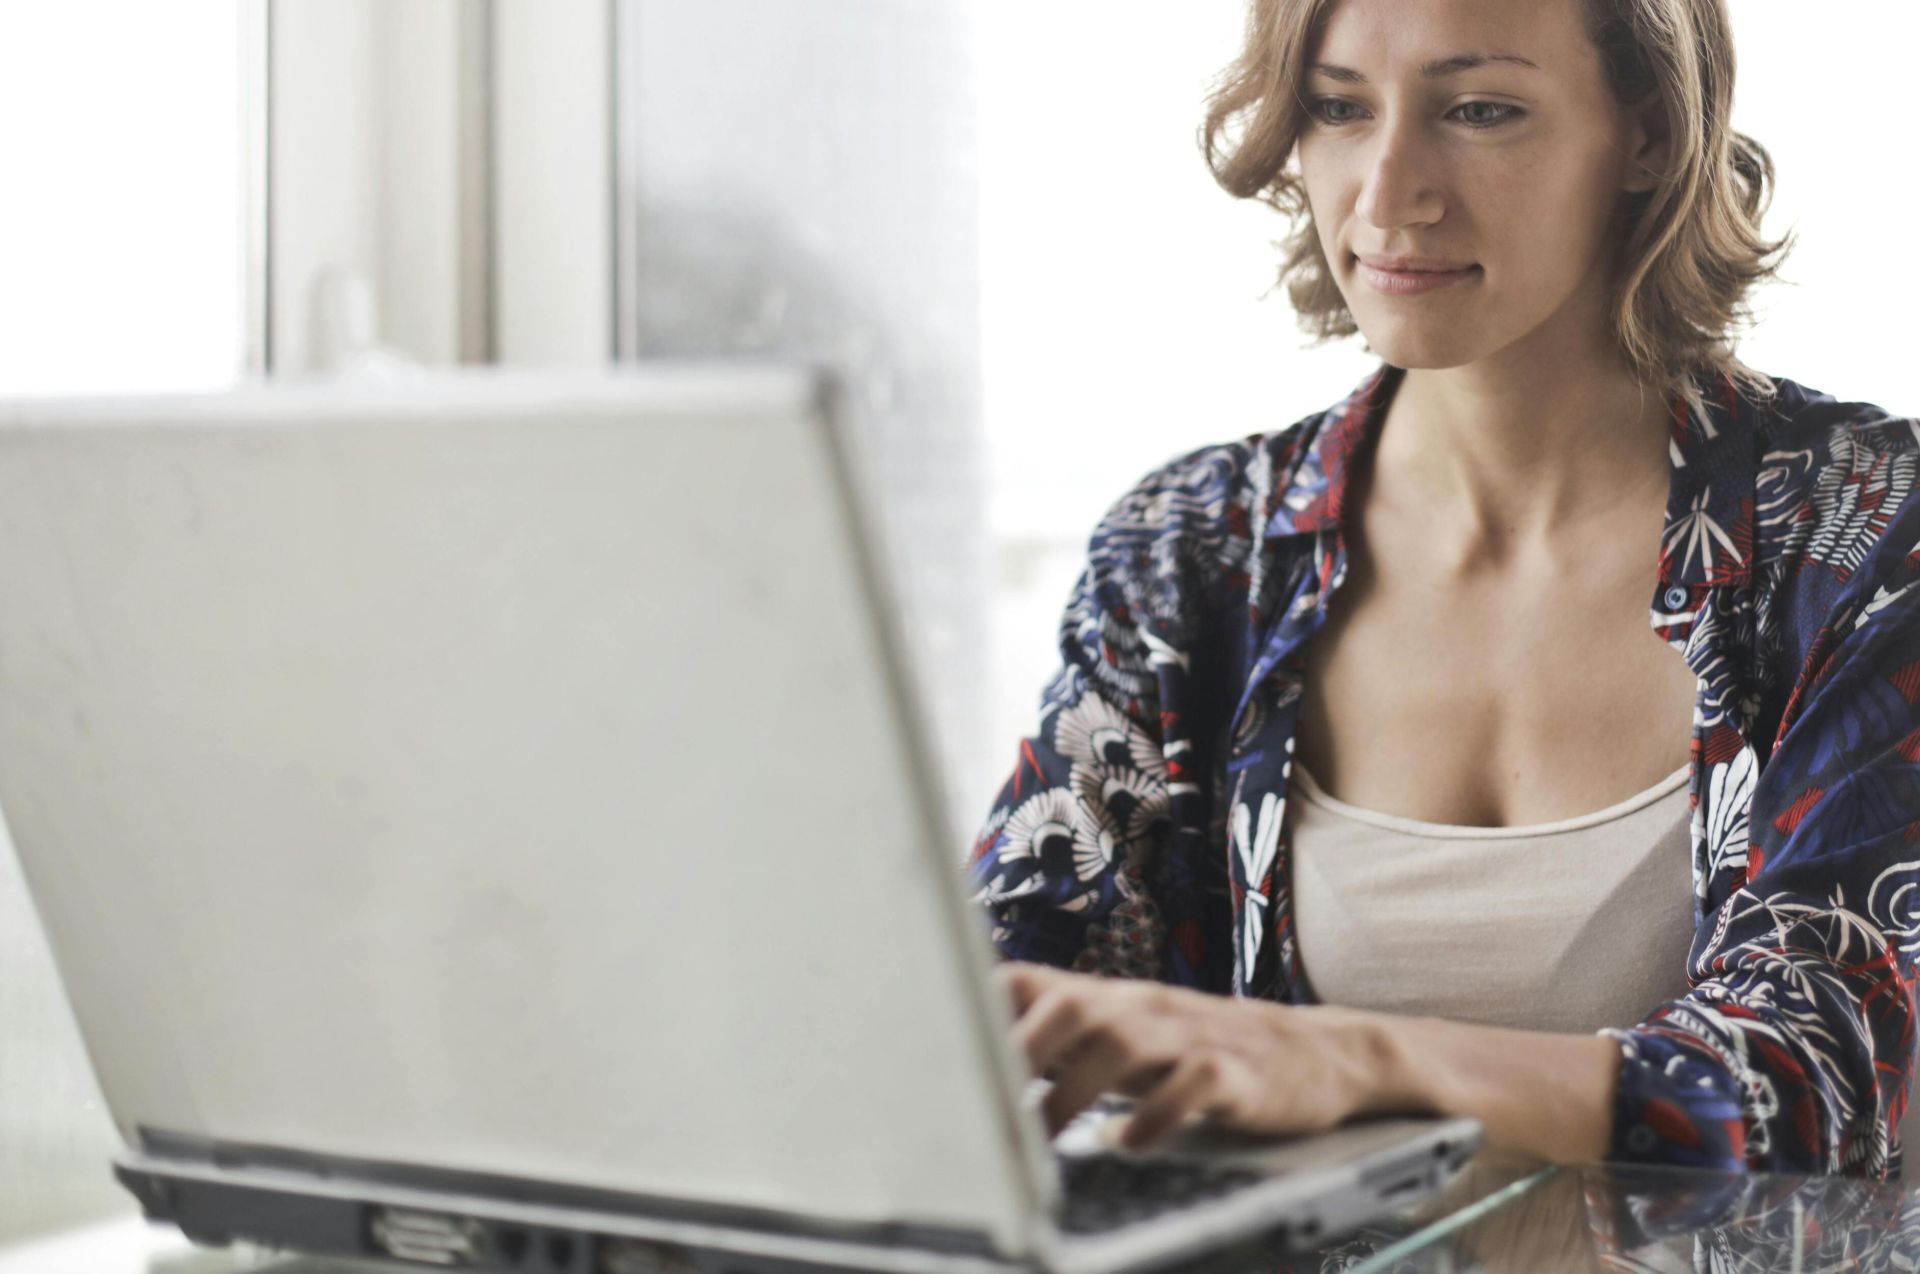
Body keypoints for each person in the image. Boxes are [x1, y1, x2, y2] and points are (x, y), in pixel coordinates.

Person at [969, 0, 1920, 1180]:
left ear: (1651, 135)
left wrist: (1352, 1057)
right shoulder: (1193, 550)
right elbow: (996, 1003)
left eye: (1481, 110)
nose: (1387, 192)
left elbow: (1831, 1069)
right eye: (1337, 107)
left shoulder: (1866, 533)